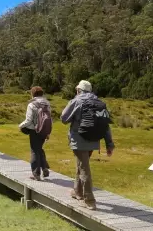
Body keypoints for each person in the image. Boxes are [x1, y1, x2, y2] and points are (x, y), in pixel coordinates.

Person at [61, 80, 115, 210]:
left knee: (84, 168)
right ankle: (77, 191)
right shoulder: (99, 103)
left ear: (79, 90)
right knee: (81, 164)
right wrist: (109, 144)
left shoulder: (77, 101)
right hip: (94, 140)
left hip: (79, 140)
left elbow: (63, 118)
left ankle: (89, 200)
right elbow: (105, 125)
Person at [19, 86, 51, 181]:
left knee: (34, 150)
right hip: (45, 130)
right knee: (39, 149)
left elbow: (29, 120)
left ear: (32, 93)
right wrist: (48, 132)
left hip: (35, 130)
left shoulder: (32, 104)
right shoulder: (47, 103)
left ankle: (36, 173)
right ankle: (44, 168)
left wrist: (20, 126)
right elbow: (50, 119)